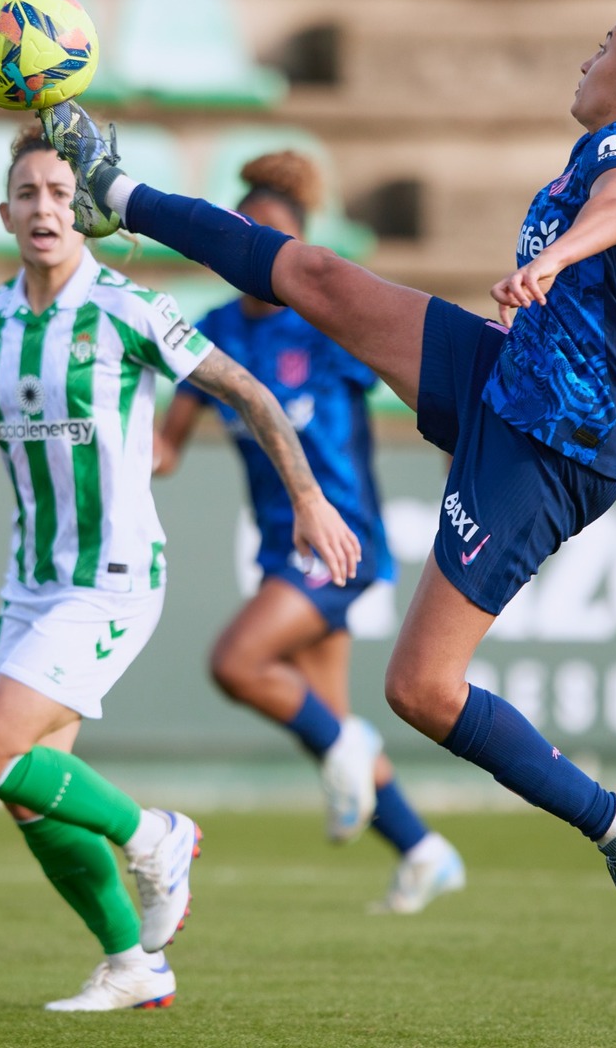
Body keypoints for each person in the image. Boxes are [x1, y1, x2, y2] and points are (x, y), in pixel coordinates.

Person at [39, 5, 616, 951]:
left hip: (550, 443)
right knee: (317, 276)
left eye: (604, 48)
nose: (589, 57)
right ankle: (118, 192)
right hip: (516, 378)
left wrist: (555, 258)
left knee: (421, 690)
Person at [0, 130, 360, 1011]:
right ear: (5, 212)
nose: (46, 208)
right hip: (32, 582)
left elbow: (249, 391)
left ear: (83, 211)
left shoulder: (128, 308)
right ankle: (134, 963)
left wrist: (312, 502)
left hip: (114, 577)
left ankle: (157, 833)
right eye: (29, 194)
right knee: (31, 799)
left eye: (62, 192)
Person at [154, 150, 465, 914]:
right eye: (247, 232)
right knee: (329, 725)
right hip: (278, 549)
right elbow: (166, 446)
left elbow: (409, 371)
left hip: (340, 541)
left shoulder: (326, 327)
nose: (258, 251)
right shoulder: (215, 331)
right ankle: (424, 851)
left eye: (274, 237)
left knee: (237, 663)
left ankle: (354, 759)